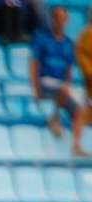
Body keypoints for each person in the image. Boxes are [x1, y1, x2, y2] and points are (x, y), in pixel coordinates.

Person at [31, 6, 86, 155]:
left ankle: (76, 145)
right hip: (46, 81)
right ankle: (55, 118)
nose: (59, 21)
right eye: (57, 17)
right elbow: (34, 65)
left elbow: (68, 70)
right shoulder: (42, 39)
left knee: (81, 108)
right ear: (53, 19)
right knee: (63, 89)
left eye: (62, 18)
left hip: (62, 86)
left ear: (67, 21)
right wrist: (36, 90)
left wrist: (68, 84)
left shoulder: (69, 43)